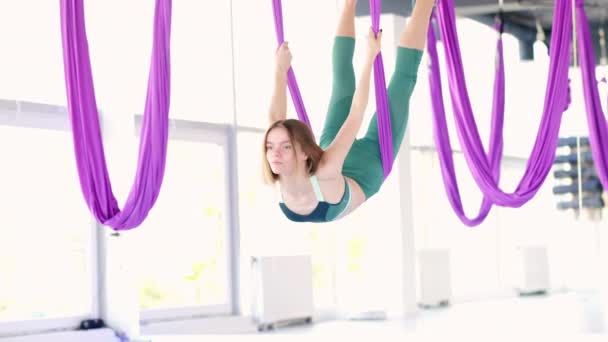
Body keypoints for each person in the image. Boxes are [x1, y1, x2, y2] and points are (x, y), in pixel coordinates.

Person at [263, 0, 434, 222]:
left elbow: (276, 121)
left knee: (342, 82)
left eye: (283, 147)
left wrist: (280, 68)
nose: (274, 153)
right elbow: (356, 113)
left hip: (331, 153)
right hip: (369, 166)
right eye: (272, 147)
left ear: (305, 152)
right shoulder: (324, 171)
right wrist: (369, 57)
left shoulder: (296, 172)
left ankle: (349, 3)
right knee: (402, 80)